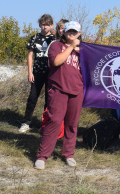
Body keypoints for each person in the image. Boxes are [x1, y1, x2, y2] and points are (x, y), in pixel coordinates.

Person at [34, 21, 83, 170]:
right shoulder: (56, 45)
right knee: (54, 121)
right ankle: (42, 156)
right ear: (63, 32)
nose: (72, 34)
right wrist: (72, 47)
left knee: (72, 123)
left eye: (75, 32)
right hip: (58, 88)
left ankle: (68, 154)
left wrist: (82, 51)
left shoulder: (84, 50)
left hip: (77, 90)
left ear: (79, 34)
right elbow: (56, 61)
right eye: (69, 31)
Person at [20, 14, 55, 133]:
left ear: (52, 25)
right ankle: (26, 122)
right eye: (43, 24)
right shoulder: (34, 38)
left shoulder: (55, 40)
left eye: (47, 24)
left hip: (51, 74)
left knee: (49, 100)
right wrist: (30, 72)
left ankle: (44, 125)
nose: (45, 27)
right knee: (32, 98)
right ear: (40, 24)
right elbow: (30, 55)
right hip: (37, 72)